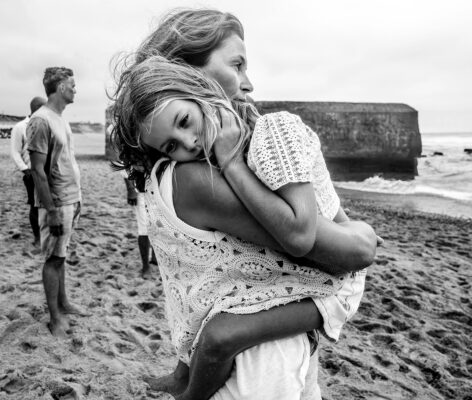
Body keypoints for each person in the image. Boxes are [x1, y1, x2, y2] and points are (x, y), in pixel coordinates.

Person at [110, 9, 378, 399]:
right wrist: (363, 235)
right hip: (264, 357)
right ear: (190, 75)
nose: (248, 84)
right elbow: (332, 247)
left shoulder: (173, 170)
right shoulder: (203, 173)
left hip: (275, 336)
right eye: (236, 64)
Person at [27, 67, 86, 338]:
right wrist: (50, 210)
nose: (75, 89)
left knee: (62, 255)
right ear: (60, 87)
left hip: (69, 199)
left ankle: (64, 303)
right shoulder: (40, 121)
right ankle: (54, 317)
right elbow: (38, 171)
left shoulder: (60, 118)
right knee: (53, 258)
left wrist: (78, 197)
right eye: (72, 85)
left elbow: (67, 161)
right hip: (56, 202)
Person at [10, 96, 46, 247]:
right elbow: (15, 152)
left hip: (49, 172)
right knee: (35, 206)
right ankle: (38, 238)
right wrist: (26, 170)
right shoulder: (20, 127)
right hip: (32, 172)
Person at [120, 170, 158, 278]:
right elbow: (125, 164)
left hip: (161, 190)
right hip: (142, 191)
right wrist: (130, 188)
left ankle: (155, 258)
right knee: (144, 229)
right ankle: (146, 266)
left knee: (159, 226)